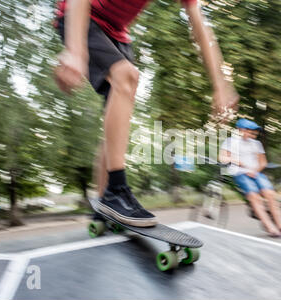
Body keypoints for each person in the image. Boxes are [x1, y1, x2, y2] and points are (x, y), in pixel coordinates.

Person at [53, 0, 239, 227]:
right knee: (127, 75)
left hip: (117, 33)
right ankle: (116, 190)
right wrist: (75, 50)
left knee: (116, 127)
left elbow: (199, 22)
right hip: (81, 15)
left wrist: (220, 83)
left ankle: (104, 207)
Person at [219, 118, 281, 238]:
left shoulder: (256, 144)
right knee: (255, 198)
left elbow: (263, 162)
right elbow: (223, 158)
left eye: (254, 133)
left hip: (256, 173)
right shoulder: (229, 142)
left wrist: (254, 171)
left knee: (270, 194)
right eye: (250, 132)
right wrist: (238, 162)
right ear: (240, 130)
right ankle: (271, 229)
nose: (253, 135)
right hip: (240, 173)